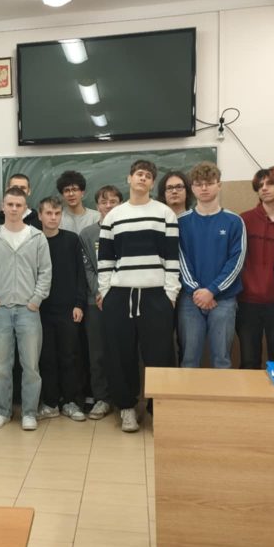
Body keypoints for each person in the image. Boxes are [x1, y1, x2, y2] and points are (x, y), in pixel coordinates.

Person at [98, 160, 179, 433]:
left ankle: (159, 408)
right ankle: (127, 408)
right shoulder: (114, 216)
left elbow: (172, 258)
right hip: (120, 296)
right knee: (121, 355)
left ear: (152, 183)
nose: (143, 178)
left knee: (160, 354)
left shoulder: (165, 214)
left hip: (156, 296)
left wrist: (170, 294)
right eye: (139, 174)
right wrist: (106, 292)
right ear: (129, 178)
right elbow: (105, 260)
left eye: (148, 176)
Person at [0, 186, 51, 432]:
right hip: (0, 309)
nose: (13, 209)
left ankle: (29, 413)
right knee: (0, 366)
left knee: (31, 366)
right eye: (9, 204)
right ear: (3, 206)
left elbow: (45, 272)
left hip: (28, 310)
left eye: (18, 205)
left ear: (25, 208)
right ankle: (2, 411)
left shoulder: (37, 237)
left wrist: (35, 300)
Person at [177, 161, 245, 369]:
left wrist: (212, 291)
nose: (204, 188)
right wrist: (197, 291)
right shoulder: (181, 222)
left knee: (222, 360)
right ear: (192, 188)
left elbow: (237, 261)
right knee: (189, 359)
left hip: (224, 299)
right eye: (198, 184)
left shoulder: (234, 221)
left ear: (219, 185)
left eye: (209, 183)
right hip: (191, 299)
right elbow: (180, 259)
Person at [238, 166, 274, 369]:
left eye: (270, 183)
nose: (264, 188)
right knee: (248, 361)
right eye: (260, 185)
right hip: (247, 301)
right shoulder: (243, 220)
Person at [37, 196, 87, 422]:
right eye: (48, 213)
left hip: (68, 309)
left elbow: (80, 274)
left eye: (57, 213)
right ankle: (50, 403)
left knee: (70, 356)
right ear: (40, 215)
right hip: (40, 310)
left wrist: (79, 303)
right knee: (46, 357)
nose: (53, 218)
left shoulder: (72, 240)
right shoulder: (34, 240)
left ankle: (71, 402)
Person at [78, 185, 122, 419]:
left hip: (121, 299)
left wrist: (112, 292)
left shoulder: (127, 230)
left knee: (122, 351)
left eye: (113, 201)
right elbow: (86, 267)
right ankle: (101, 398)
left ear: (120, 204)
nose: (108, 205)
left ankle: (123, 399)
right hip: (95, 302)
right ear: (97, 206)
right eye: (104, 202)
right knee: (97, 354)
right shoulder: (87, 234)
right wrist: (100, 291)